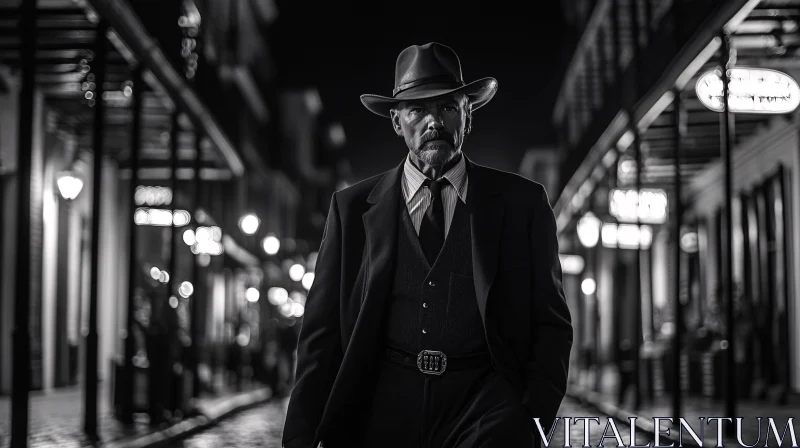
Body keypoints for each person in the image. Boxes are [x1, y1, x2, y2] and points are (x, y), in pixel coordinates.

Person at [282, 42, 573, 448]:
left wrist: (529, 419)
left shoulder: (523, 205)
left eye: (448, 107)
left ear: (468, 116)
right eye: (418, 110)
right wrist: (298, 438)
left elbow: (551, 325)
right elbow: (320, 336)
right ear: (397, 122)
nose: (434, 121)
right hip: (381, 413)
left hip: (486, 412)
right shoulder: (350, 211)